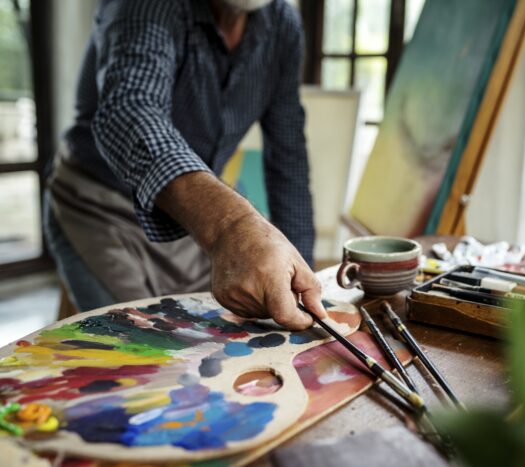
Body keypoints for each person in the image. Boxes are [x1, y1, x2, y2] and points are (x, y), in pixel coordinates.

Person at [43, 0, 326, 330]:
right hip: (100, 206)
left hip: (188, 218)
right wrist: (231, 225)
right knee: (142, 349)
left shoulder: (282, 24)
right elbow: (132, 109)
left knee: (215, 342)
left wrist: (299, 277)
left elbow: (288, 157)